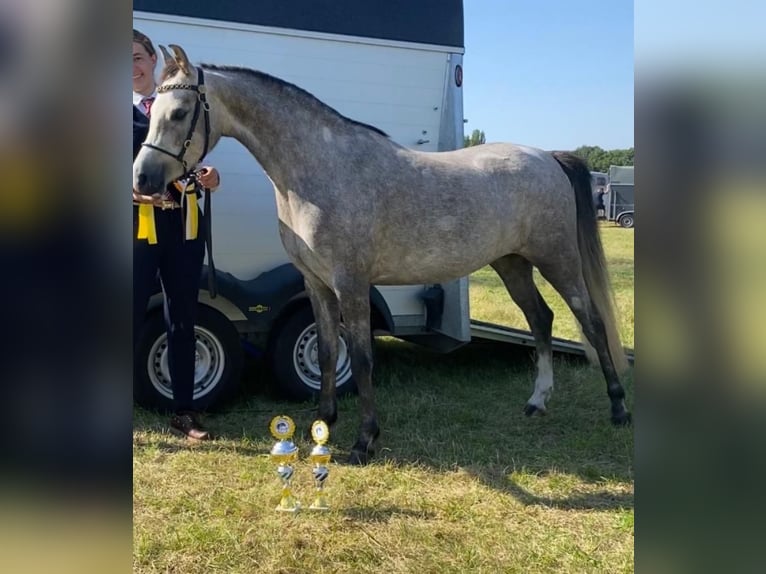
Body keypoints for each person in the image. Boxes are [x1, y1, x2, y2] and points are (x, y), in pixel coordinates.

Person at [133, 28, 221, 440]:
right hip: (135, 227)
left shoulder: (178, 105)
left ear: (153, 60)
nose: (130, 67)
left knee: (182, 319)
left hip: (184, 226)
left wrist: (210, 176)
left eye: (136, 57)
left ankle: (185, 413)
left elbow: (195, 154)